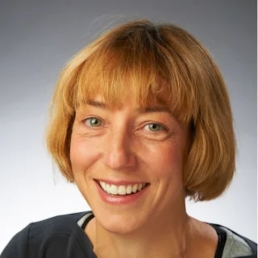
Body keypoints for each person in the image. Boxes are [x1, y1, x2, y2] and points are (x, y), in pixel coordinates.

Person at [1, 20, 256, 258]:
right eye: (95, 121)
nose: (116, 158)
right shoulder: (32, 250)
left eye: (153, 127)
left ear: (199, 142)